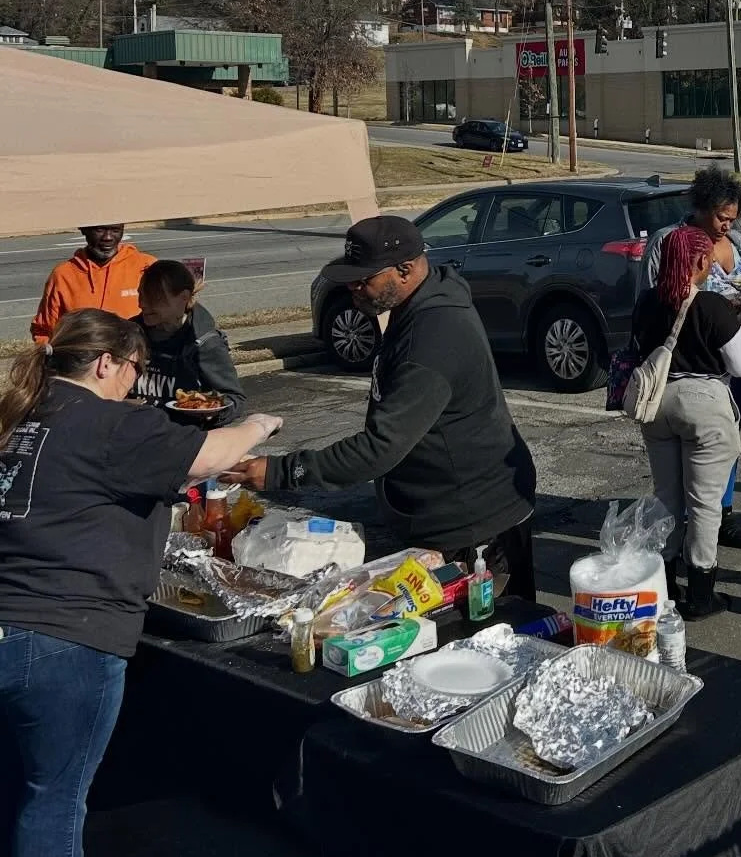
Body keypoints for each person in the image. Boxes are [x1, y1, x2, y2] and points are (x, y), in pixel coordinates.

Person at [0, 310, 281, 857]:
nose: (135, 380)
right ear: (106, 363)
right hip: (66, 636)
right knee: (55, 800)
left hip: (10, 620)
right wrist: (257, 424)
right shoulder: (109, 424)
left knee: (19, 785)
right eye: (134, 368)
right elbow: (209, 455)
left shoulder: (21, 413)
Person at [226, 217, 539, 595]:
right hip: (444, 509)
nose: (353, 289)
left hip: (474, 521)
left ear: (405, 270)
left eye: (364, 279)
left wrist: (282, 472)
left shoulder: (433, 336)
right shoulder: (422, 303)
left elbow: (380, 447)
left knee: (479, 639)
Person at [640, 167, 741, 551]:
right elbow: (651, 301)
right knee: (687, 453)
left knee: (728, 442)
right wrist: (714, 315)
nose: (726, 226)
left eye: (732, 218)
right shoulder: (670, 242)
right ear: (699, 208)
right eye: (719, 217)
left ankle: (721, 515)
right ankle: (687, 528)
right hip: (694, 366)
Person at [633, 225, 741, 619]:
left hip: (657, 404)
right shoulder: (711, 305)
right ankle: (701, 596)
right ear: (700, 262)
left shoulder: (647, 302)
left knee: (666, 497)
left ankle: (666, 588)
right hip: (703, 406)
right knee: (704, 504)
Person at [132, 260, 245, 423]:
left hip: (186, 438)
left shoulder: (205, 342)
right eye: (141, 295)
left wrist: (213, 413)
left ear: (183, 298)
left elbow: (235, 399)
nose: (141, 304)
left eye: (154, 299)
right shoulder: (130, 333)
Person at [30, 225, 155, 343]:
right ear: (84, 229)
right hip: (81, 362)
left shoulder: (147, 266)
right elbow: (44, 331)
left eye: (115, 230)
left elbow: (168, 318)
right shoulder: (63, 275)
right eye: (100, 230)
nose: (108, 237)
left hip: (134, 359)